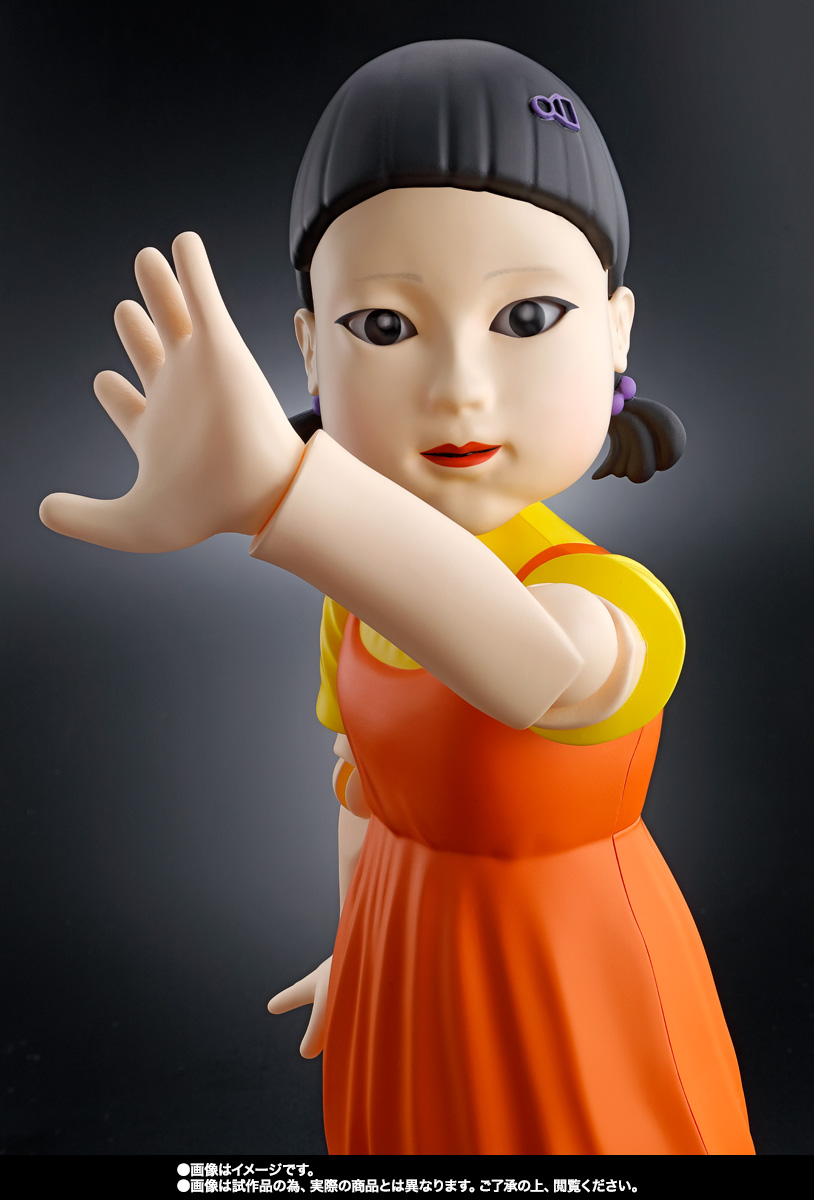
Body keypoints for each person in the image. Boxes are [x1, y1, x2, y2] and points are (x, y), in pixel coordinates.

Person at [40, 40, 754, 1156]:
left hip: (568, 986)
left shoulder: (603, 597)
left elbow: (538, 671)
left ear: (616, 330)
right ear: (308, 355)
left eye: (528, 317)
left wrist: (280, 490)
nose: (459, 386)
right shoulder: (357, 596)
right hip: (403, 964)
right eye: (384, 326)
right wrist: (359, 949)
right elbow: (365, 791)